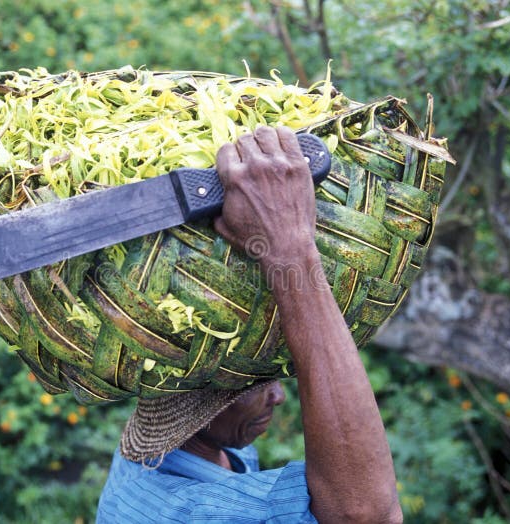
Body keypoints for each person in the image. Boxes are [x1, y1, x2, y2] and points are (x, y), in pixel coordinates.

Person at [96, 126, 402, 523]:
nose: (278, 397)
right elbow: (370, 516)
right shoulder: (187, 512)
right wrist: (289, 247)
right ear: (196, 401)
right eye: (255, 385)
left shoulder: (203, 450)